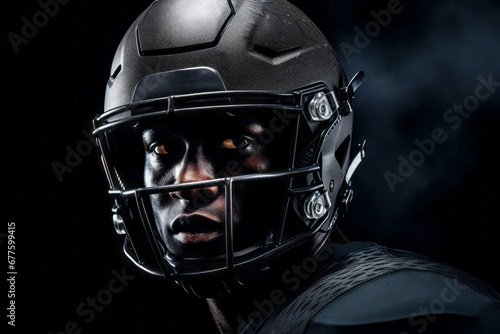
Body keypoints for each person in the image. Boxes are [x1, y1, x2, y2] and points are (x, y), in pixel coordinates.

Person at [92, 0, 500, 332]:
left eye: (236, 143)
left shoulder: (399, 313)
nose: (189, 181)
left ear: (316, 153)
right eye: (162, 148)